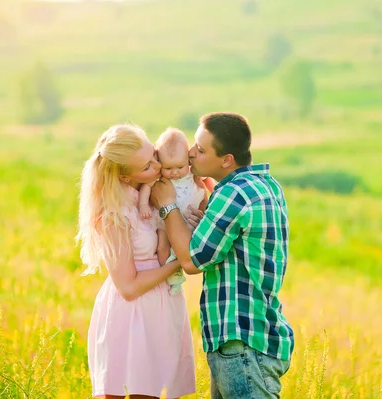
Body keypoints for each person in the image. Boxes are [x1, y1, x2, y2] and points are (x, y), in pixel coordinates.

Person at [150, 112, 294, 398]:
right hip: (255, 336)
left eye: (201, 150)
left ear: (226, 160)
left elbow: (192, 261)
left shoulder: (233, 194)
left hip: (241, 342)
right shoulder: (266, 185)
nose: (191, 154)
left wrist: (167, 206)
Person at [76, 124, 196, 399]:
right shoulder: (113, 215)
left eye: (154, 155)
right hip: (132, 315)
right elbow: (128, 287)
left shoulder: (155, 192)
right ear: (124, 176)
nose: (157, 166)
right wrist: (180, 262)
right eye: (146, 167)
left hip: (162, 307)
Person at [138, 127, 209, 295]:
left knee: (189, 246)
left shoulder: (193, 174)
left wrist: (204, 210)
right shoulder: (159, 178)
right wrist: (143, 205)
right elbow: (146, 188)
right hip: (164, 221)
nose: (175, 173)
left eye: (180, 167)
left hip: (188, 220)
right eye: (168, 168)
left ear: (188, 160)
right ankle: (172, 274)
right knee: (163, 246)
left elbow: (204, 193)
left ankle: (183, 265)